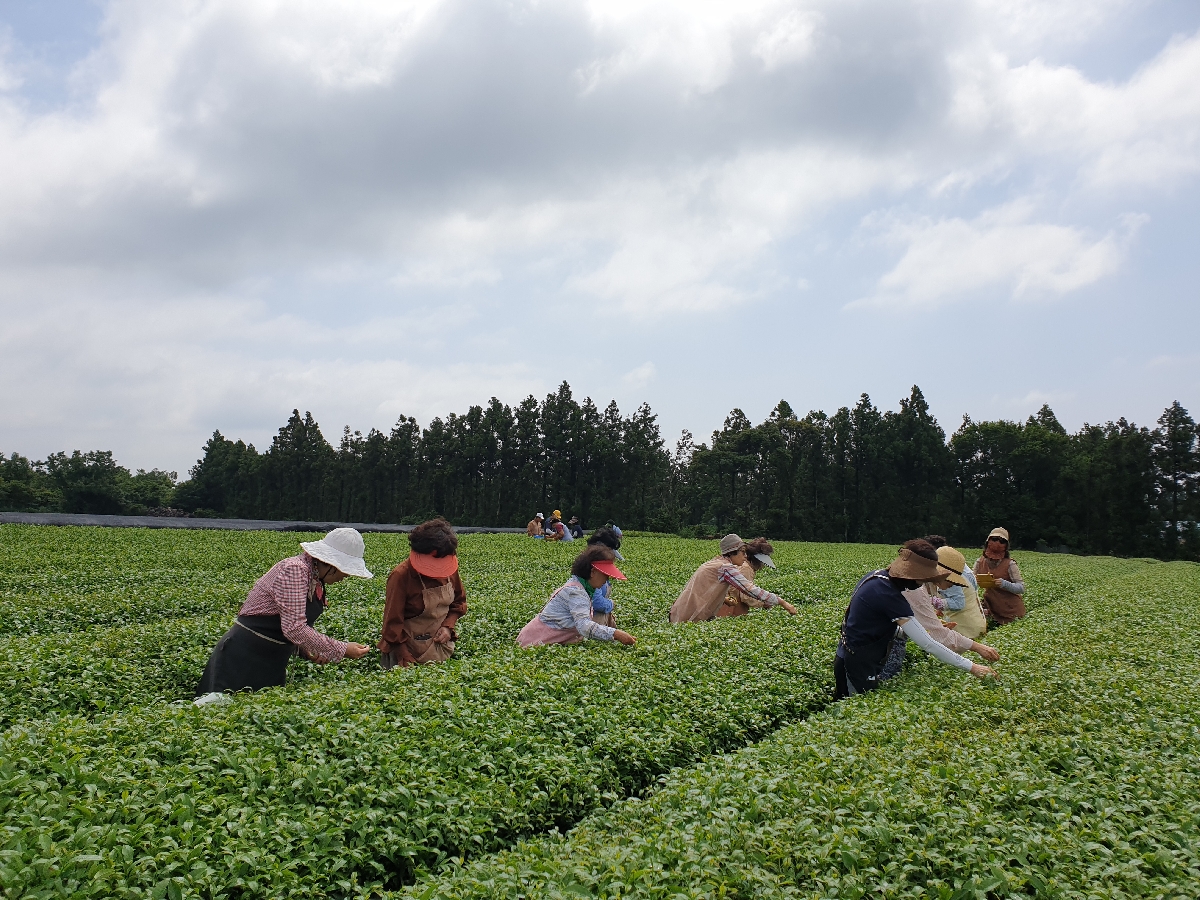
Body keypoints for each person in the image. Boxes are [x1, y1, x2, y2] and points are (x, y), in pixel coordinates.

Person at [195, 528, 373, 697]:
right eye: (345, 570)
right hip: (244, 656)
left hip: (271, 659)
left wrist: (306, 649)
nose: (345, 576)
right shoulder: (294, 570)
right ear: (330, 563)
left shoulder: (315, 578)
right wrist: (341, 649)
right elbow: (294, 628)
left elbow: (286, 624)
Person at [834, 539, 997, 699]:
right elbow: (928, 643)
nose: (923, 583)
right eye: (923, 579)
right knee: (852, 703)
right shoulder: (889, 595)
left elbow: (875, 622)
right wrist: (972, 667)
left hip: (856, 657)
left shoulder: (878, 577)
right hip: (855, 662)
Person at [378, 518, 467, 669]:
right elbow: (392, 624)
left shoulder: (450, 572)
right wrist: (405, 658)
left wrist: (447, 626)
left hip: (439, 649)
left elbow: (459, 602)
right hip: (406, 653)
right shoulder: (401, 576)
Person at [517, 545, 638, 647]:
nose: (607, 580)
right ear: (593, 572)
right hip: (533, 643)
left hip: (543, 640)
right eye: (605, 575)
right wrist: (616, 634)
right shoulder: (576, 592)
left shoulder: (580, 585)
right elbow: (584, 626)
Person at [669, 534, 798, 623]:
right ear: (732, 552)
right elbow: (749, 590)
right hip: (689, 616)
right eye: (742, 552)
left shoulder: (715, 563)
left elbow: (705, 589)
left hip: (680, 612)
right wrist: (782, 602)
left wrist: (724, 599)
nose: (745, 556)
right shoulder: (726, 567)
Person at [974, 527, 1026, 626]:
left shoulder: (1010, 564)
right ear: (988, 542)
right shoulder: (979, 562)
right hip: (992, 608)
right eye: (994, 539)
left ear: (1006, 546)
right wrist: (975, 581)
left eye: (1001, 541)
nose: (997, 543)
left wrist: (1004, 584)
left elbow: (1021, 588)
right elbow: (970, 583)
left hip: (1011, 611)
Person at [716, 536, 776, 617]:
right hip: (733, 607)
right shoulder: (746, 568)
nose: (762, 566)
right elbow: (745, 596)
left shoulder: (743, 565)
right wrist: (763, 603)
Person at [936, 545, 987, 640]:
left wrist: (936, 603)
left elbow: (958, 603)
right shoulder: (961, 574)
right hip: (972, 624)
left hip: (965, 628)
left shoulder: (954, 581)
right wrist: (940, 609)